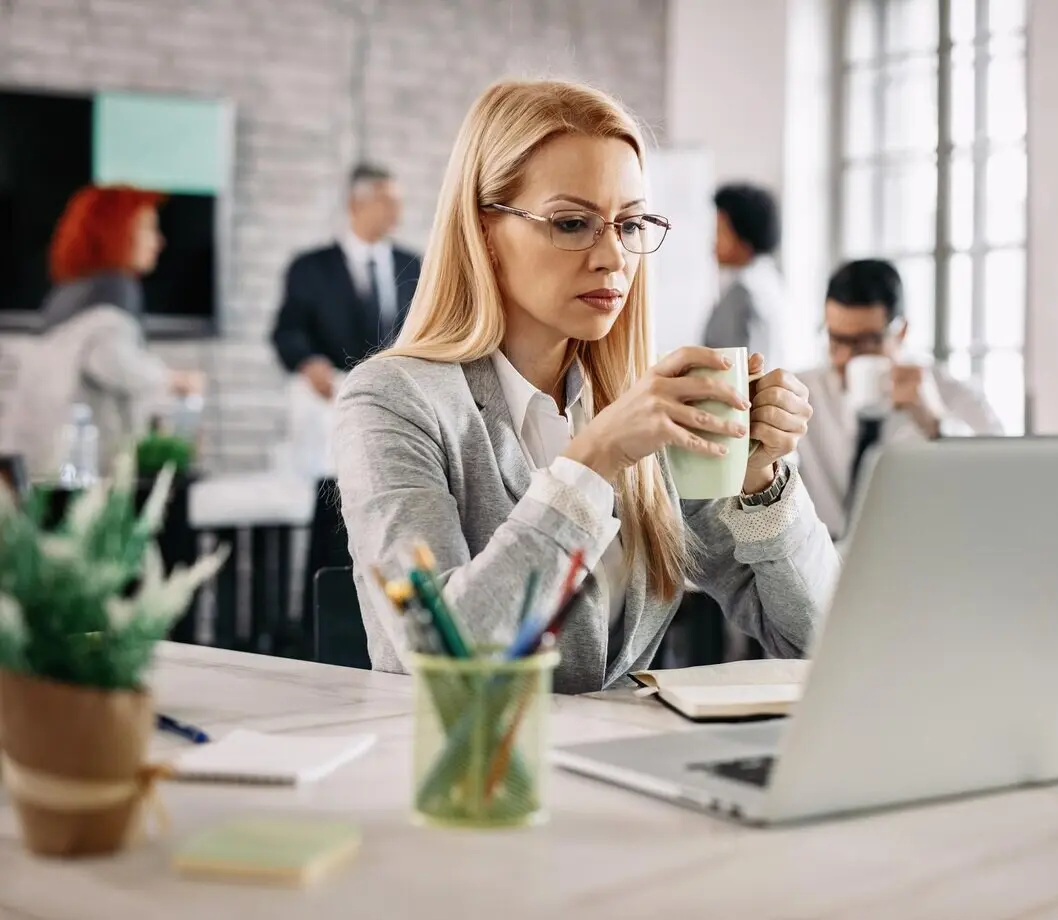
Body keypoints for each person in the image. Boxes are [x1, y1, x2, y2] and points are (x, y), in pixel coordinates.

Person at [332, 79, 838, 693]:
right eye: (573, 223)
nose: (614, 259)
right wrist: (593, 460)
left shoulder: (645, 407)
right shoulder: (391, 401)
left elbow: (819, 640)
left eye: (630, 225)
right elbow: (446, 654)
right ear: (483, 230)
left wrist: (761, 482)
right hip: (464, 779)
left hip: (624, 769)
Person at [796, 259, 1004, 538]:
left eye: (865, 342)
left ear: (901, 331)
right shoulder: (801, 392)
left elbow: (999, 482)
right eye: (837, 340)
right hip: (823, 562)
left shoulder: (949, 394)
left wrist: (935, 422)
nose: (845, 358)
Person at [10, 185, 204, 479]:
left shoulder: (69, 294)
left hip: (42, 461)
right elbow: (112, 360)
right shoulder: (115, 290)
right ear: (117, 232)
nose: (159, 241)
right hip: (85, 467)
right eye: (148, 229)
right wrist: (173, 379)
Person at [270, 163, 422, 400]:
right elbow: (288, 331)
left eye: (398, 203)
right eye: (386, 203)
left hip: (397, 396)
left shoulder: (413, 265)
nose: (397, 212)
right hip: (332, 398)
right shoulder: (310, 268)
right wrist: (308, 362)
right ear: (356, 205)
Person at [701, 183, 785, 368]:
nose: (714, 243)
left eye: (720, 231)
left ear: (743, 236)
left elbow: (733, 371)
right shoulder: (770, 281)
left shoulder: (743, 293)